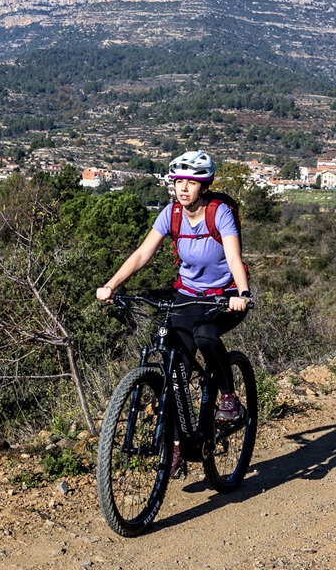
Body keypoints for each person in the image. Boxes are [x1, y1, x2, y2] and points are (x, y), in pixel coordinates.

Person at [97, 149, 252, 477]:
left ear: (204, 185)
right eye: (179, 182)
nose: (183, 188)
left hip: (224, 297)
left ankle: (228, 395)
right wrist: (111, 285)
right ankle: (178, 446)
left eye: (191, 183)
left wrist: (242, 293)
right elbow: (142, 253)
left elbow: (234, 257)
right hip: (186, 296)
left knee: (205, 335)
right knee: (176, 373)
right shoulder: (171, 214)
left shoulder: (219, 213)